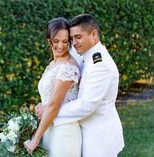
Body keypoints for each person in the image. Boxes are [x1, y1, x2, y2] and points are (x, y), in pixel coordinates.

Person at [37, 14, 124, 157]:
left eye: (78, 37)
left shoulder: (100, 64)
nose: (74, 43)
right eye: (72, 38)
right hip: (80, 131)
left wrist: (51, 110)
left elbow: (87, 105)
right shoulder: (84, 54)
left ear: (94, 34)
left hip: (98, 137)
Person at [24, 17, 82, 157]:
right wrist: (41, 105)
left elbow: (54, 105)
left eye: (65, 41)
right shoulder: (53, 64)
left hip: (64, 131)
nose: (61, 46)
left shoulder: (68, 67)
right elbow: (51, 98)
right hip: (49, 128)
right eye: (56, 41)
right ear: (49, 40)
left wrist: (35, 139)